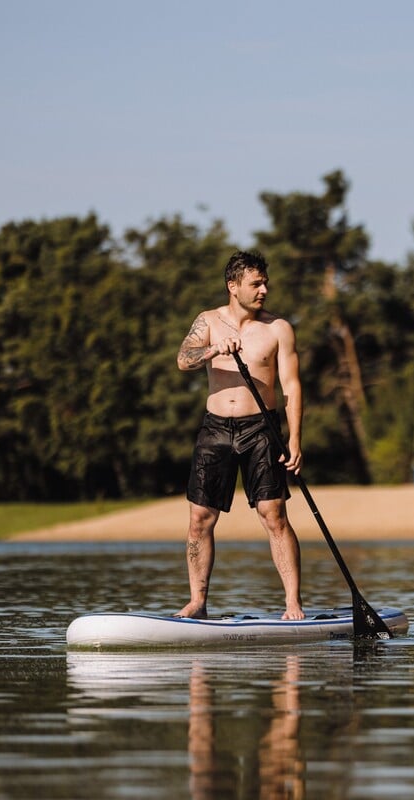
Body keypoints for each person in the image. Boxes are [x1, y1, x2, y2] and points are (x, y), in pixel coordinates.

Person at [174, 250, 305, 620]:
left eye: (265, 282)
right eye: (256, 283)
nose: (264, 289)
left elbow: (292, 387)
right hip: (215, 427)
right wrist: (214, 348)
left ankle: (292, 603)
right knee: (200, 517)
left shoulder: (278, 328)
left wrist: (295, 440)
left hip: (261, 429)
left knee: (273, 513)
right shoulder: (208, 321)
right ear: (233, 286)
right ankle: (198, 602)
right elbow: (183, 359)